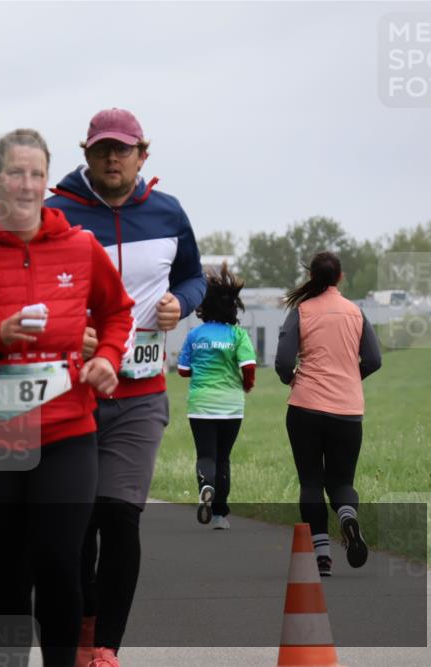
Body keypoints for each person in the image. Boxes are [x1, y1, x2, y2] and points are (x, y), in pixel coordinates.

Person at [0, 129, 135, 667]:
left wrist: (107, 357)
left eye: (37, 173)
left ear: (48, 179)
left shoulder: (81, 247)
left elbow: (118, 311)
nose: (27, 184)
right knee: (9, 575)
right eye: (16, 173)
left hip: (67, 432)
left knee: (60, 564)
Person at [45, 108, 205, 667]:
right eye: (102, 149)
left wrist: (178, 303)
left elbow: (194, 275)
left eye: (124, 149)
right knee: (77, 526)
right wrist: (71, 332)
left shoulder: (168, 212)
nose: (113, 159)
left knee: (119, 516)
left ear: (144, 154)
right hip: (70, 394)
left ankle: (107, 647)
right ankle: (82, 631)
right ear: (85, 154)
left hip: (139, 394)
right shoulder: (55, 213)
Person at [275, 251, 381, 577]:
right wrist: (351, 379)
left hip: (305, 407)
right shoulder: (356, 312)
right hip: (347, 411)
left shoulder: (300, 311)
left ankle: (322, 556)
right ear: (340, 277)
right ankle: (347, 516)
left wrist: (293, 379)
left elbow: (282, 361)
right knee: (341, 481)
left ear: (312, 277)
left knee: (311, 481)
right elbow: (374, 359)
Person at [177, 265, 256, 529]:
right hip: (231, 406)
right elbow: (248, 367)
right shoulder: (238, 335)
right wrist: (246, 386)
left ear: (203, 307)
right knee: (224, 458)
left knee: (206, 456)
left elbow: (183, 371)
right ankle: (221, 515)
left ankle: (205, 485)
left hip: (200, 404)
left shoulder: (194, 335)